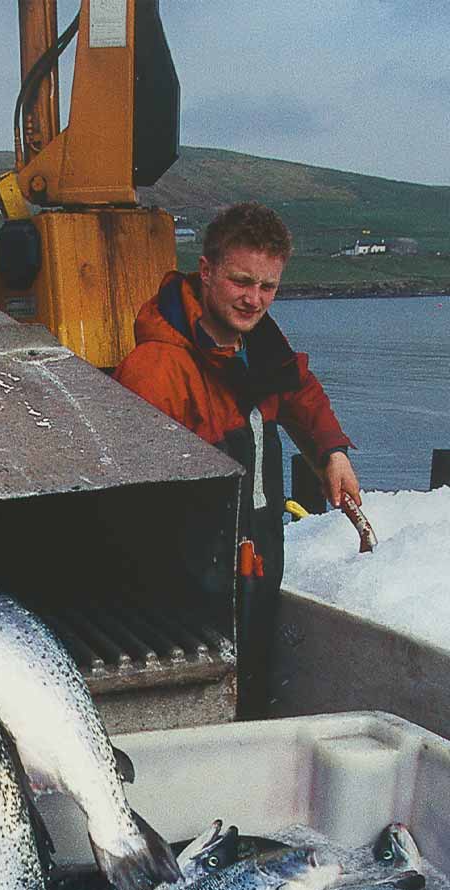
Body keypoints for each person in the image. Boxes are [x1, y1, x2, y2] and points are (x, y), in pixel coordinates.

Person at [114, 201, 360, 606]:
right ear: (207, 272)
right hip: (184, 593)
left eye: (268, 287)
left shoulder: (260, 347)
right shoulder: (156, 369)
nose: (255, 300)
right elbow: (132, 510)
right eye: (241, 282)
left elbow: (301, 392)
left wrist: (333, 452)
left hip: (254, 571)